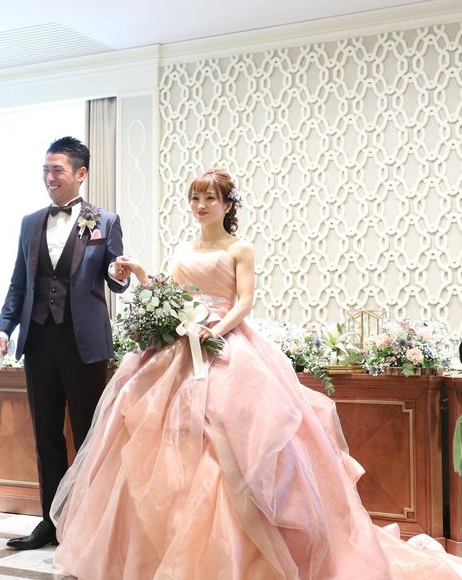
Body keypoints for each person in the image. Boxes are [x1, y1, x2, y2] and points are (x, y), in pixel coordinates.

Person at [50, 169, 462, 578]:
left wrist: (215, 331)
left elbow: (244, 301)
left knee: (233, 441)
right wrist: (140, 274)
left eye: (210, 198)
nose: (200, 206)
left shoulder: (239, 248)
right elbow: (168, 293)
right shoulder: (183, 248)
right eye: (195, 198)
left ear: (228, 205)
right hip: (181, 343)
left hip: (224, 343)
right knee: (152, 432)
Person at [0, 136, 129, 550]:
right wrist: (3, 330)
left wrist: (119, 274)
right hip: (38, 342)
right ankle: (49, 523)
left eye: (58, 170)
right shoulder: (30, 222)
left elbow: (114, 278)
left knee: (88, 436)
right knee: (46, 436)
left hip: (84, 344)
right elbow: (19, 283)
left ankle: (87, 525)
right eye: (45, 171)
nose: (50, 178)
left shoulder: (104, 220)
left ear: (80, 173)